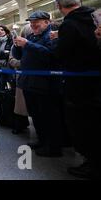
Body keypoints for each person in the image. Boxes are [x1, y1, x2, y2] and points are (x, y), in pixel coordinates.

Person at [53, 0, 101, 179]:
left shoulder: (69, 25)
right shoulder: (93, 17)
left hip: (79, 84)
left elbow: (62, 54)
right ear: (78, 0)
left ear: (59, 6)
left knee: (83, 126)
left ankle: (92, 164)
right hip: (96, 83)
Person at [12, 10, 64, 157]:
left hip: (45, 85)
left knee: (49, 116)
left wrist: (27, 44)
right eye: (32, 22)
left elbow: (50, 55)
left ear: (47, 22)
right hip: (30, 84)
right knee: (36, 115)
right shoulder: (31, 36)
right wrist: (17, 46)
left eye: (37, 22)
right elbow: (20, 56)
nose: (33, 24)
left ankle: (53, 146)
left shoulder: (52, 36)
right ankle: (42, 140)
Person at [8, 24, 32, 135]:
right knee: (20, 106)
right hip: (21, 78)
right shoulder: (15, 46)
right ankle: (20, 125)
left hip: (35, 79)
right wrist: (23, 63)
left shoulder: (34, 44)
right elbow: (12, 60)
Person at [0, 25, 14, 90]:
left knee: (12, 86)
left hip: (9, 66)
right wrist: (3, 52)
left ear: (6, 31)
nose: (0, 31)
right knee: (1, 87)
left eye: (2, 30)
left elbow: (9, 54)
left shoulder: (10, 40)